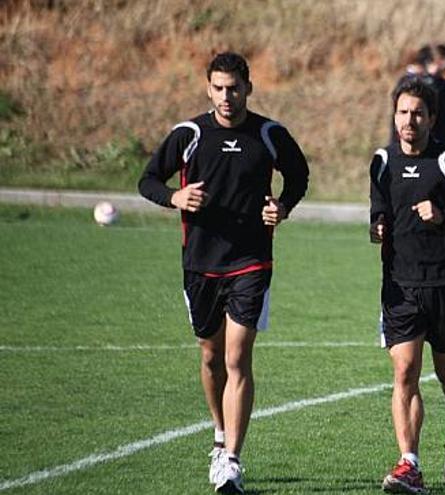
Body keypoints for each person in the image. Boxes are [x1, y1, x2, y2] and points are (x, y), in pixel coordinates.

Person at [138, 52, 309, 494]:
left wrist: (282, 207)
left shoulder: (269, 134)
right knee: (211, 357)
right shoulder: (189, 134)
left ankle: (232, 460)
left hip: (251, 260)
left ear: (248, 88)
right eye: (218, 88)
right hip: (200, 262)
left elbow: (299, 174)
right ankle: (219, 432)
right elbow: (149, 180)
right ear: (208, 89)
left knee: (237, 358)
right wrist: (174, 198)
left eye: (234, 87)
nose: (227, 96)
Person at [370, 77, 445, 494]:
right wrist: (378, 224)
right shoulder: (382, 161)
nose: (409, 120)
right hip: (400, 285)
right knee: (405, 370)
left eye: (418, 113)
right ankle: (410, 464)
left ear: (432, 118)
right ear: (395, 115)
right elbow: (379, 208)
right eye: (403, 112)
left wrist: (443, 216)